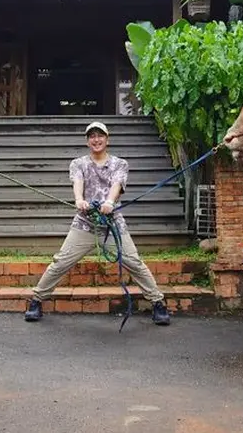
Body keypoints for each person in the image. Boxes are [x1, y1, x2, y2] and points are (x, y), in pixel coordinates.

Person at [23, 120, 171, 325]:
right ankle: (36, 300)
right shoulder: (78, 163)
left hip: (112, 225)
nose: (96, 139)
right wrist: (79, 200)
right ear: (87, 141)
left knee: (134, 263)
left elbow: (117, 184)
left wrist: (110, 202)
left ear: (107, 139)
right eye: (92, 136)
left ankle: (158, 303)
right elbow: (77, 182)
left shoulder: (120, 164)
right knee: (60, 262)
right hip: (84, 224)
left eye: (100, 135)